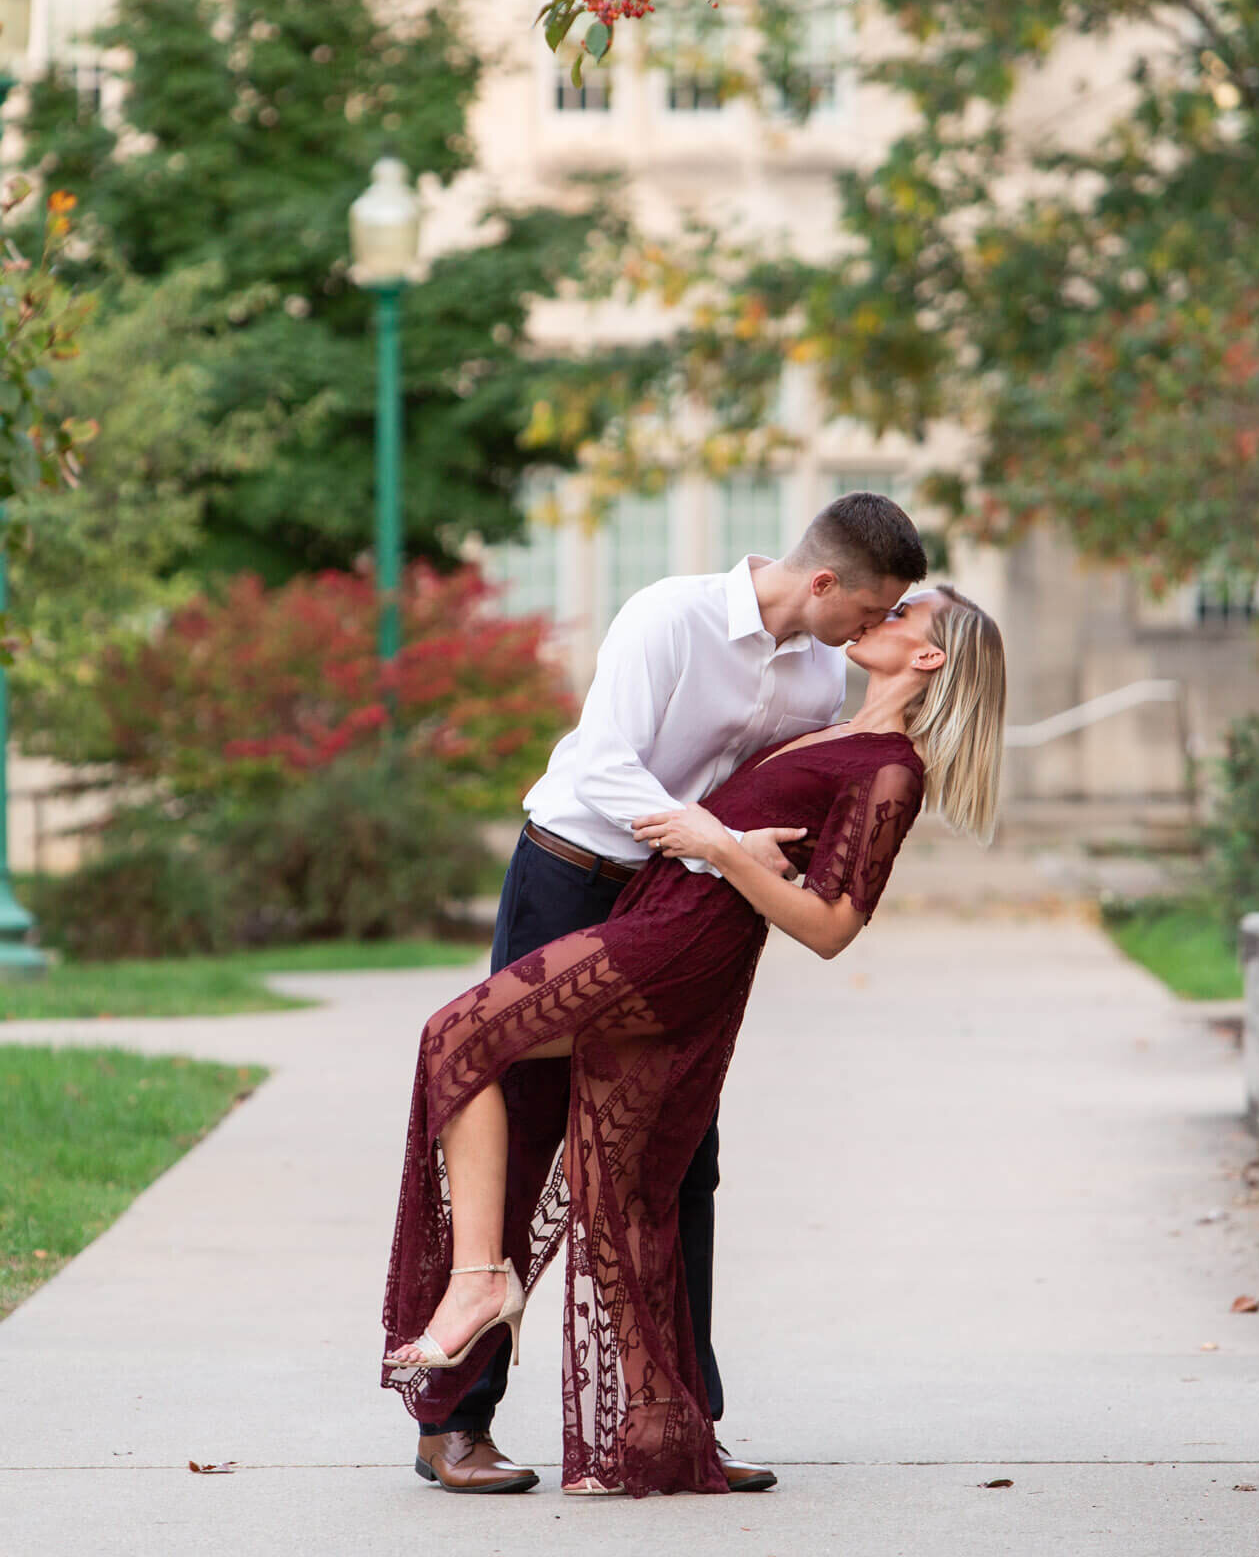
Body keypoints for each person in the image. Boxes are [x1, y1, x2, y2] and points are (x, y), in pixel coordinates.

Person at [382, 581, 1007, 1498]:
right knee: (620, 1185)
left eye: (905, 611)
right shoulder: (826, 719)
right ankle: (659, 1431)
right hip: (639, 911)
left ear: (929, 657)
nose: (884, 615)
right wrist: (720, 842)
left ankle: (481, 1286)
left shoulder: (890, 768)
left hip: (673, 949)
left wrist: (718, 848)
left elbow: (833, 926)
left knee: (460, 1041)